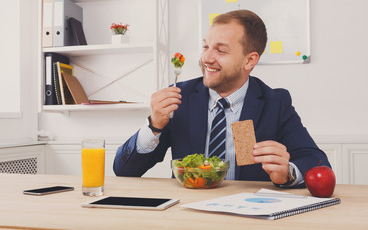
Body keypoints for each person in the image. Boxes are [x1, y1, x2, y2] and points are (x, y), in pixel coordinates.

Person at [113, 10, 331, 188]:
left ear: (249, 60)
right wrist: (154, 125)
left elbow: (317, 162)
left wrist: (288, 172)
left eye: (221, 50)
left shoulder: (275, 102)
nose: (206, 58)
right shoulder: (181, 97)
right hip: (188, 212)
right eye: (206, 46)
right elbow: (124, 171)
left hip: (249, 213)